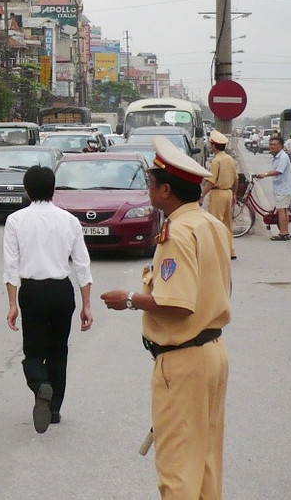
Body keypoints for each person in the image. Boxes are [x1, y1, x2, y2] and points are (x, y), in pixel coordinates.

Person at [100, 136, 231, 499]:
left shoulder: (178, 233)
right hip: (212, 352)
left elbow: (177, 302)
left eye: (151, 184)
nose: (148, 190)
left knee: (176, 468)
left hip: (183, 359)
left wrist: (128, 299)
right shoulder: (210, 225)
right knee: (204, 460)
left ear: (167, 190)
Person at [3, 165, 93, 434]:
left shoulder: (16, 220)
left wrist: (12, 304)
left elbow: (11, 266)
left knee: (33, 352)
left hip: (32, 292)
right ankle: (54, 410)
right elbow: (82, 264)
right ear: (53, 189)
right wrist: (86, 304)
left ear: (27, 190)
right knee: (59, 351)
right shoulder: (69, 221)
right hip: (62, 292)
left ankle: (40, 384)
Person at [199, 130, 238, 259]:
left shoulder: (216, 161)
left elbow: (211, 181)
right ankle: (230, 250)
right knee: (227, 224)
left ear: (214, 146)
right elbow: (236, 179)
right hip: (228, 192)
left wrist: (202, 196)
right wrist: (234, 194)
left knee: (215, 223)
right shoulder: (230, 159)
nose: (210, 147)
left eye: (211, 144)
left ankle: (218, 251)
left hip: (218, 194)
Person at [255, 136, 291, 240]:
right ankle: (285, 232)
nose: (272, 146)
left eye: (274, 145)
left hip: (283, 187)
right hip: (279, 187)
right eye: (271, 144)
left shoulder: (283, 157)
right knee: (283, 210)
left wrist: (265, 174)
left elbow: (278, 171)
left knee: (281, 210)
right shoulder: (277, 157)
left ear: (281, 146)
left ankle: (283, 233)